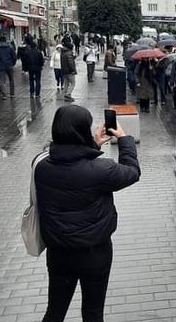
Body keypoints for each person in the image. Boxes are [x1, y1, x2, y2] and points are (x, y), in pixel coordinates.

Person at [36, 105, 140, 322]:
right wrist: (124, 138)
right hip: (94, 253)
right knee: (93, 313)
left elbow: (70, 167)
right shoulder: (101, 170)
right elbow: (132, 172)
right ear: (82, 131)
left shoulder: (41, 166)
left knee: (55, 311)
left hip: (59, 253)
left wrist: (92, 145)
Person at [60, 37, 78, 102]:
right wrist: (73, 70)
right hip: (69, 71)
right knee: (73, 83)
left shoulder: (63, 52)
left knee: (66, 83)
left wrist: (73, 57)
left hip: (64, 70)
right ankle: (68, 94)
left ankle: (65, 95)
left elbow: (66, 60)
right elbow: (70, 63)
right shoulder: (69, 53)